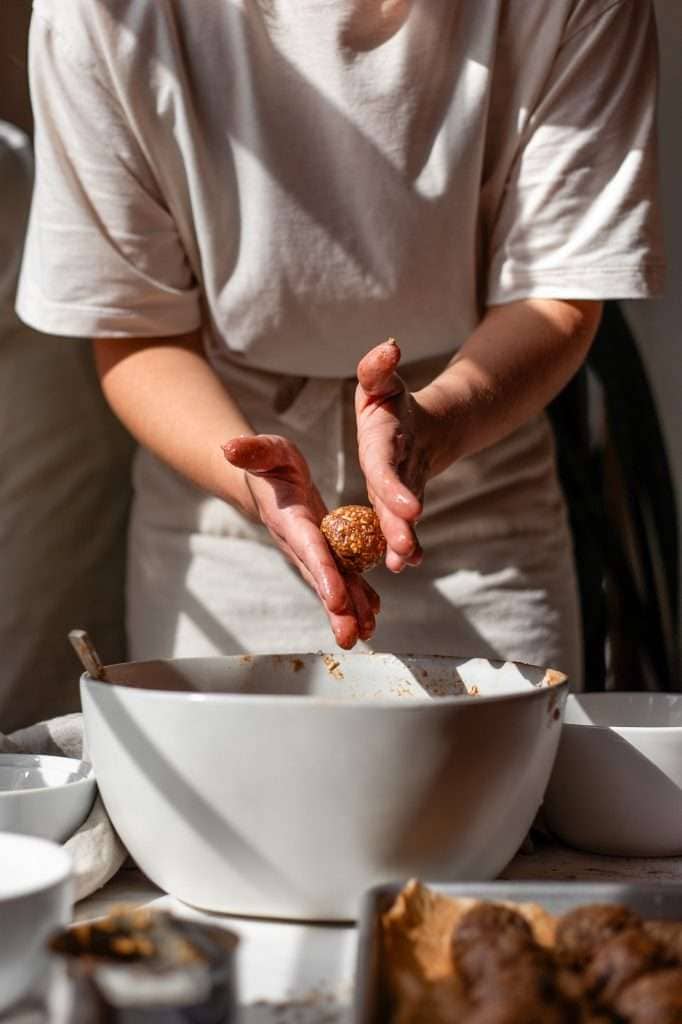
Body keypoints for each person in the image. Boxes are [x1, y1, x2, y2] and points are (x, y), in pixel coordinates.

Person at [17, 0, 664, 687]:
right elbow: (138, 333)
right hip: (226, 528)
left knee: (498, 785)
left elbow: (555, 296)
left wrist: (435, 427)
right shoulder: (105, 16)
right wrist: (248, 478)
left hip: (483, 515)